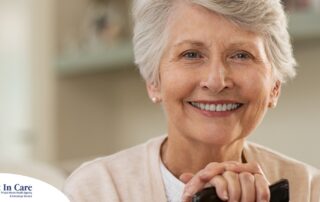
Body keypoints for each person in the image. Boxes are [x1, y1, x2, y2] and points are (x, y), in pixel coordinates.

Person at [63, 0, 320, 201]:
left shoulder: (309, 190)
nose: (217, 80)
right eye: (192, 54)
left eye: (241, 55)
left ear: (275, 86)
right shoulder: (95, 190)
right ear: (154, 80)